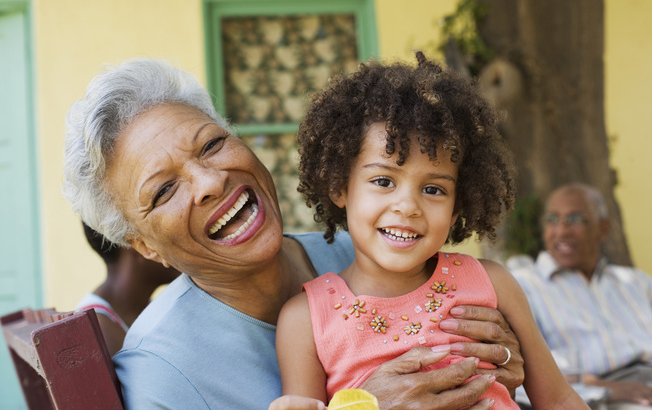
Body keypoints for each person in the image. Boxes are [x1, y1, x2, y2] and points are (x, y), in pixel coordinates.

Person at [62, 57, 525, 410]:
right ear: (145, 246)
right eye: (164, 190)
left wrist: (497, 361)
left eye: (212, 144)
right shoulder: (162, 372)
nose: (209, 182)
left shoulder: (368, 253)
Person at [271, 52, 587, 410]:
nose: (408, 206)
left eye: (434, 189)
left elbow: (558, 399)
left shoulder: (493, 283)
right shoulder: (304, 320)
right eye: (383, 180)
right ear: (339, 186)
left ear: (457, 207)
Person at [508, 183, 652, 409]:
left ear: (603, 229)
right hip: (592, 397)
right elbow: (518, 375)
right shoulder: (521, 286)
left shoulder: (636, 282)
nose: (562, 231)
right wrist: (603, 389)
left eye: (575, 219)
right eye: (552, 220)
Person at [75, 222, 180, 355]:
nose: (178, 246)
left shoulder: (148, 310)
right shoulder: (98, 331)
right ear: (137, 245)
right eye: (161, 234)